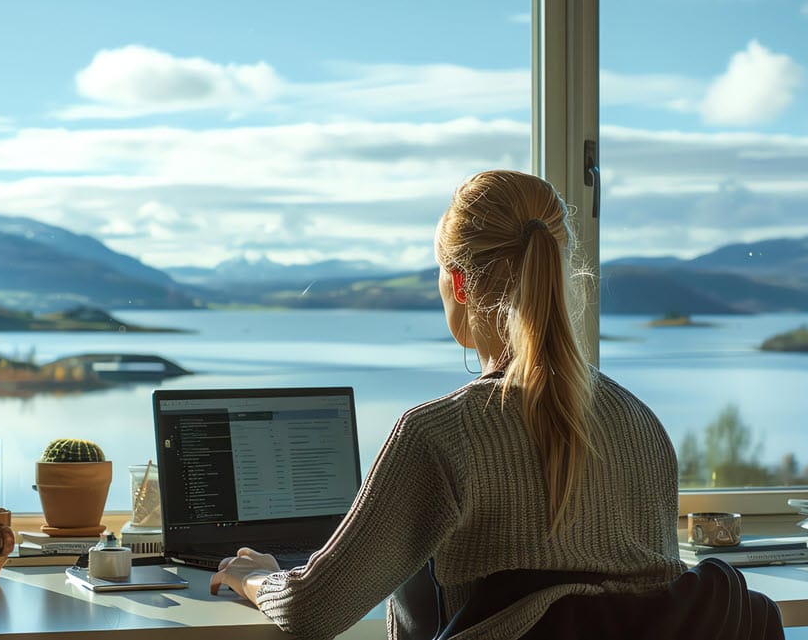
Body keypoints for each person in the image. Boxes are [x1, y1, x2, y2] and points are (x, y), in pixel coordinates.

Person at [210, 170, 684, 639]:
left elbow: (312, 610)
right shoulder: (642, 424)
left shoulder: (442, 434)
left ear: (458, 284)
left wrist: (254, 577)